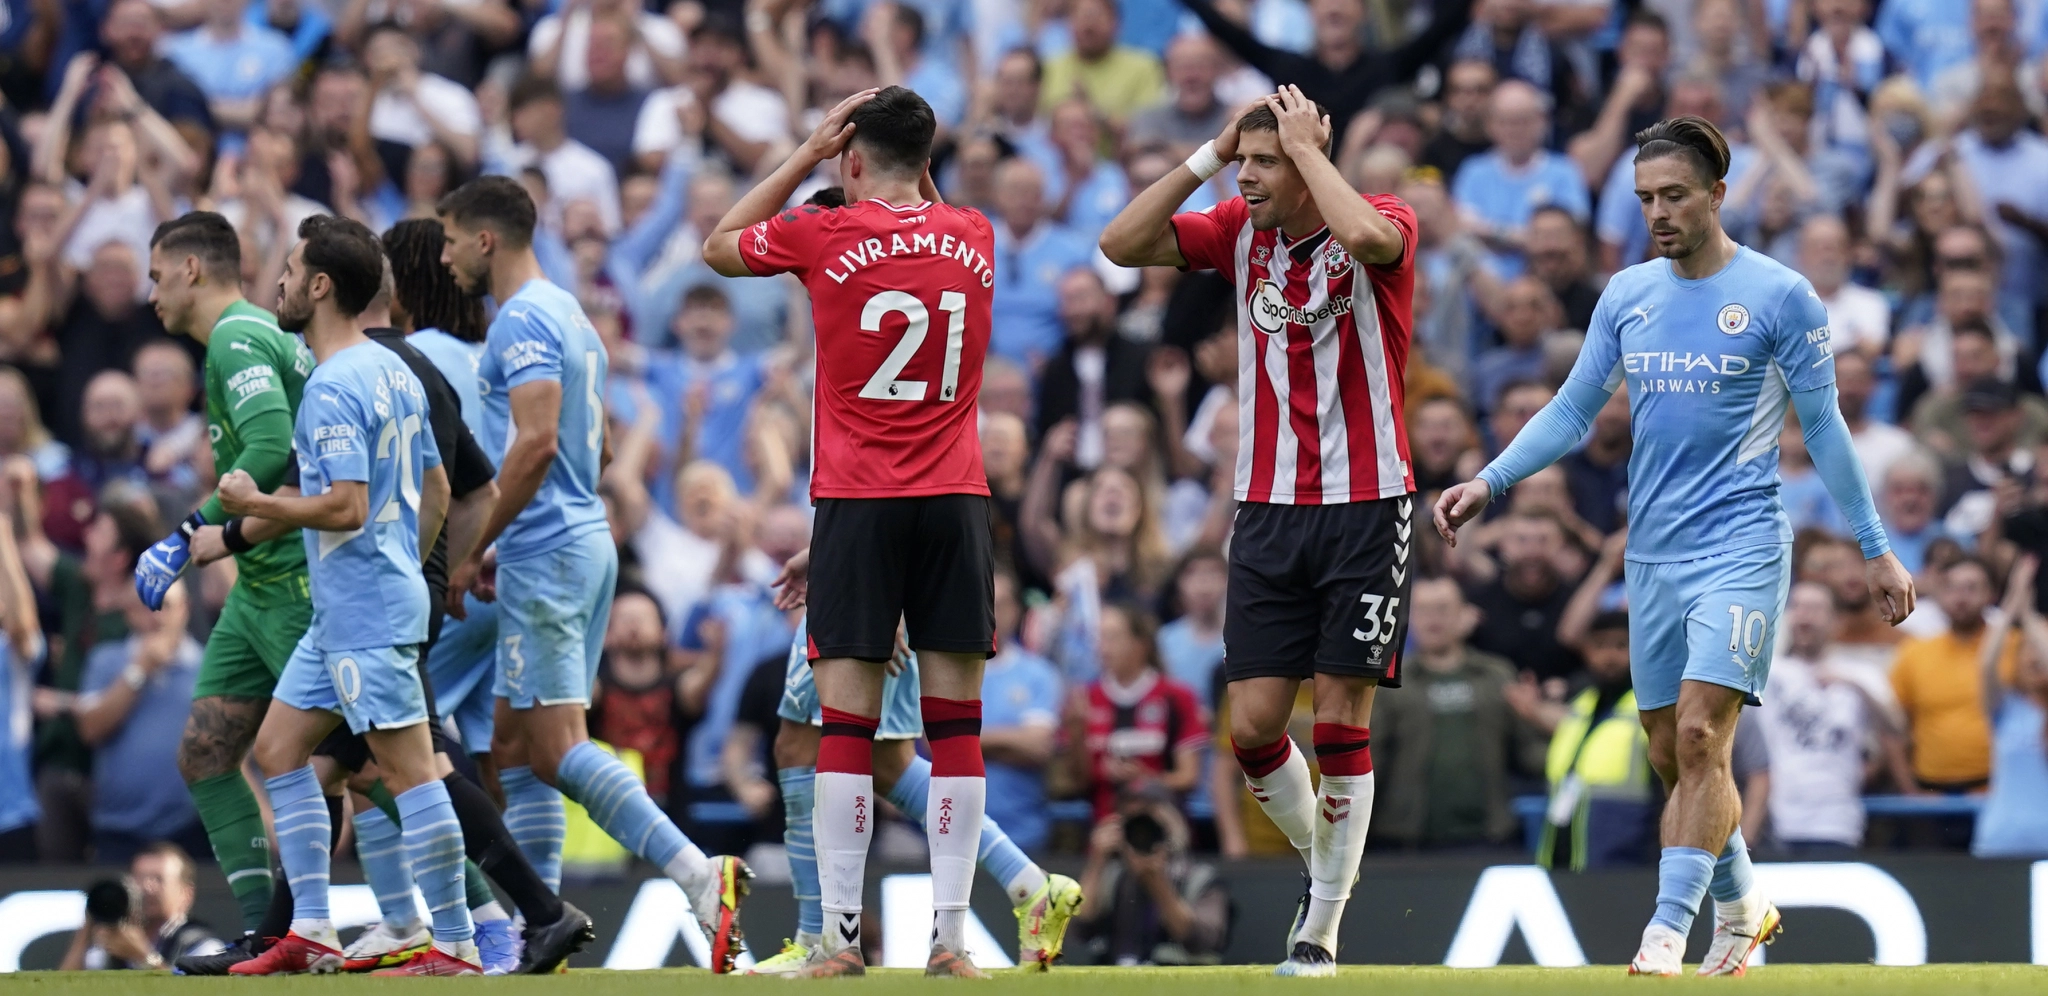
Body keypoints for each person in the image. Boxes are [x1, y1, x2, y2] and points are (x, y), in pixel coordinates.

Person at [1434, 116, 1914, 976]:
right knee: (1670, 751)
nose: (1657, 212)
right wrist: (1490, 480)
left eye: (1675, 195)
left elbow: (1825, 428)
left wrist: (1875, 548)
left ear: (1718, 194)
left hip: (1742, 545)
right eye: (1645, 198)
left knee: (1700, 735)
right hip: (1653, 554)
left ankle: (1666, 935)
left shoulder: (1781, 296)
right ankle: (1745, 906)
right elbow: (1574, 410)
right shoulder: (1627, 294)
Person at [1100, 86, 1419, 977]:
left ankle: (1322, 924)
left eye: (1263, 163)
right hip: (1268, 508)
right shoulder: (1238, 229)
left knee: (1340, 717)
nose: (1246, 179)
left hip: (1367, 504)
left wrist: (1310, 152)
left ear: (1309, 161)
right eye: (1242, 163)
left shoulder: (1384, 218)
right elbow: (1120, 243)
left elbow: (1370, 241)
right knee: (1252, 728)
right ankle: (1328, 864)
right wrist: (1208, 154)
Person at [701, 85, 998, 978]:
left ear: (851, 158)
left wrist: (805, 153)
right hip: (955, 500)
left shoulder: (822, 232)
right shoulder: (975, 234)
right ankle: (952, 941)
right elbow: (928, 208)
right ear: (930, 161)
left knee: (844, 728)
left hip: (859, 504)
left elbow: (719, 245)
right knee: (956, 728)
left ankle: (839, 940)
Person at [439, 175, 750, 971]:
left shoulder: (521, 320)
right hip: (573, 542)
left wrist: (476, 546)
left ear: (485, 240)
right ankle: (543, 927)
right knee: (512, 745)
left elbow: (537, 443)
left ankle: (697, 873)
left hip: (551, 554)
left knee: (556, 749)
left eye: (450, 240)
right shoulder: (572, 313)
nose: (444, 257)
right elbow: (600, 446)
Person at [215, 214, 475, 976]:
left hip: (365, 610)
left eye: (291, 271)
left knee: (410, 771)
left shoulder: (330, 385)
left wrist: (252, 502)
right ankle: (312, 931)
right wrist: (404, 565)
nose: (280, 283)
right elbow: (435, 487)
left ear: (322, 286)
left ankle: (456, 943)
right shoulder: (393, 368)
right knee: (278, 748)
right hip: (355, 607)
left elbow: (346, 506)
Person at [131, 211, 317, 971]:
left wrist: (187, 535)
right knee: (208, 753)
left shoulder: (238, 337)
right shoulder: (246, 336)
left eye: (157, 277)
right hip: (259, 589)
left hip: (297, 581)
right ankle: (265, 939)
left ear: (191, 270)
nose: (152, 295)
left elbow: (272, 447)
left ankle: (485, 914)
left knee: (376, 766)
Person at [745, 559, 1080, 977]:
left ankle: (815, 936)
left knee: (807, 744)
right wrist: (820, 551)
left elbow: (890, 513)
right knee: (880, 761)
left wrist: (885, 600)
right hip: (863, 569)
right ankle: (1029, 883)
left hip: (869, 577)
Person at [1372, 576, 1536, 850]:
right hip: (1406, 837)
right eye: (1423, 610)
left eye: (1443, 608)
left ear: (1466, 615)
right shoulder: (1390, 682)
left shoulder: (1496, 674)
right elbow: (1371, 757)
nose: (1433, 618)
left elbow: (1529, 750)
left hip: (1488, 834)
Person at [1512, 609, 1657, 870]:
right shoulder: (1581, 707)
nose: (1609, 657)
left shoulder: (1652, 712)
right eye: (1599, 646)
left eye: (1621, 646)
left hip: (1627, 865)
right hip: (1566, 861)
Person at [1069, 784, 1231, 965]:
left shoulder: (1199, 879)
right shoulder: (1114, 875)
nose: (1142, 833)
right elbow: (1080, 928)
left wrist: (1157, 882)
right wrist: (1097, 861)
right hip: (1119, 975)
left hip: (1175, 977)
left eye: (1148, 820)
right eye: (1133, 822)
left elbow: (1201, 941)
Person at [1971, 556, 2048, 857]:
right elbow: (1986, 665)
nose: (2033, 658)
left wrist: (2028, 615)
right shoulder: (2007, 709)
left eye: (2039, 649)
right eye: (2026, 650)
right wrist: (2011, 606)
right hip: (2001, 840)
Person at [59, 843, 225, 970]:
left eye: (158, 879)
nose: (147, 887)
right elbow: (66, 987)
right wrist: (88, 926)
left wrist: (144, 958)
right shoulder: (111, 945)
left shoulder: (201, 947)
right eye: (139, 878)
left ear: (186, 894)